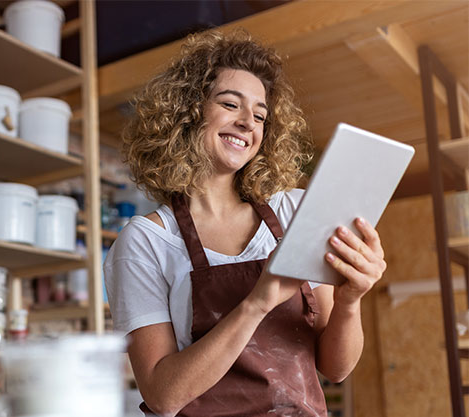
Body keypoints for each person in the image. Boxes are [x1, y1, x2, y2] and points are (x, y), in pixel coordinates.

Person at [103, 30, 387, 417]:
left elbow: (335, 368)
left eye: (259, 115)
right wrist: (258, 301)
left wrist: (351, 299)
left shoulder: (294, 212)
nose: (247, 123)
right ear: (188, 112)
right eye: (230, 104)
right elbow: (162, 396)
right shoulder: (146, 242)